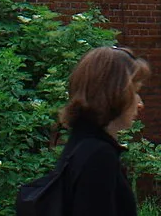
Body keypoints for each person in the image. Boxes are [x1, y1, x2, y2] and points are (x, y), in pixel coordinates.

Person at [50, 45, 148, 216]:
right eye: (135, 91)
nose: (140, 104)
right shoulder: (98, 154)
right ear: (115, 93)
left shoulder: (82, 144)